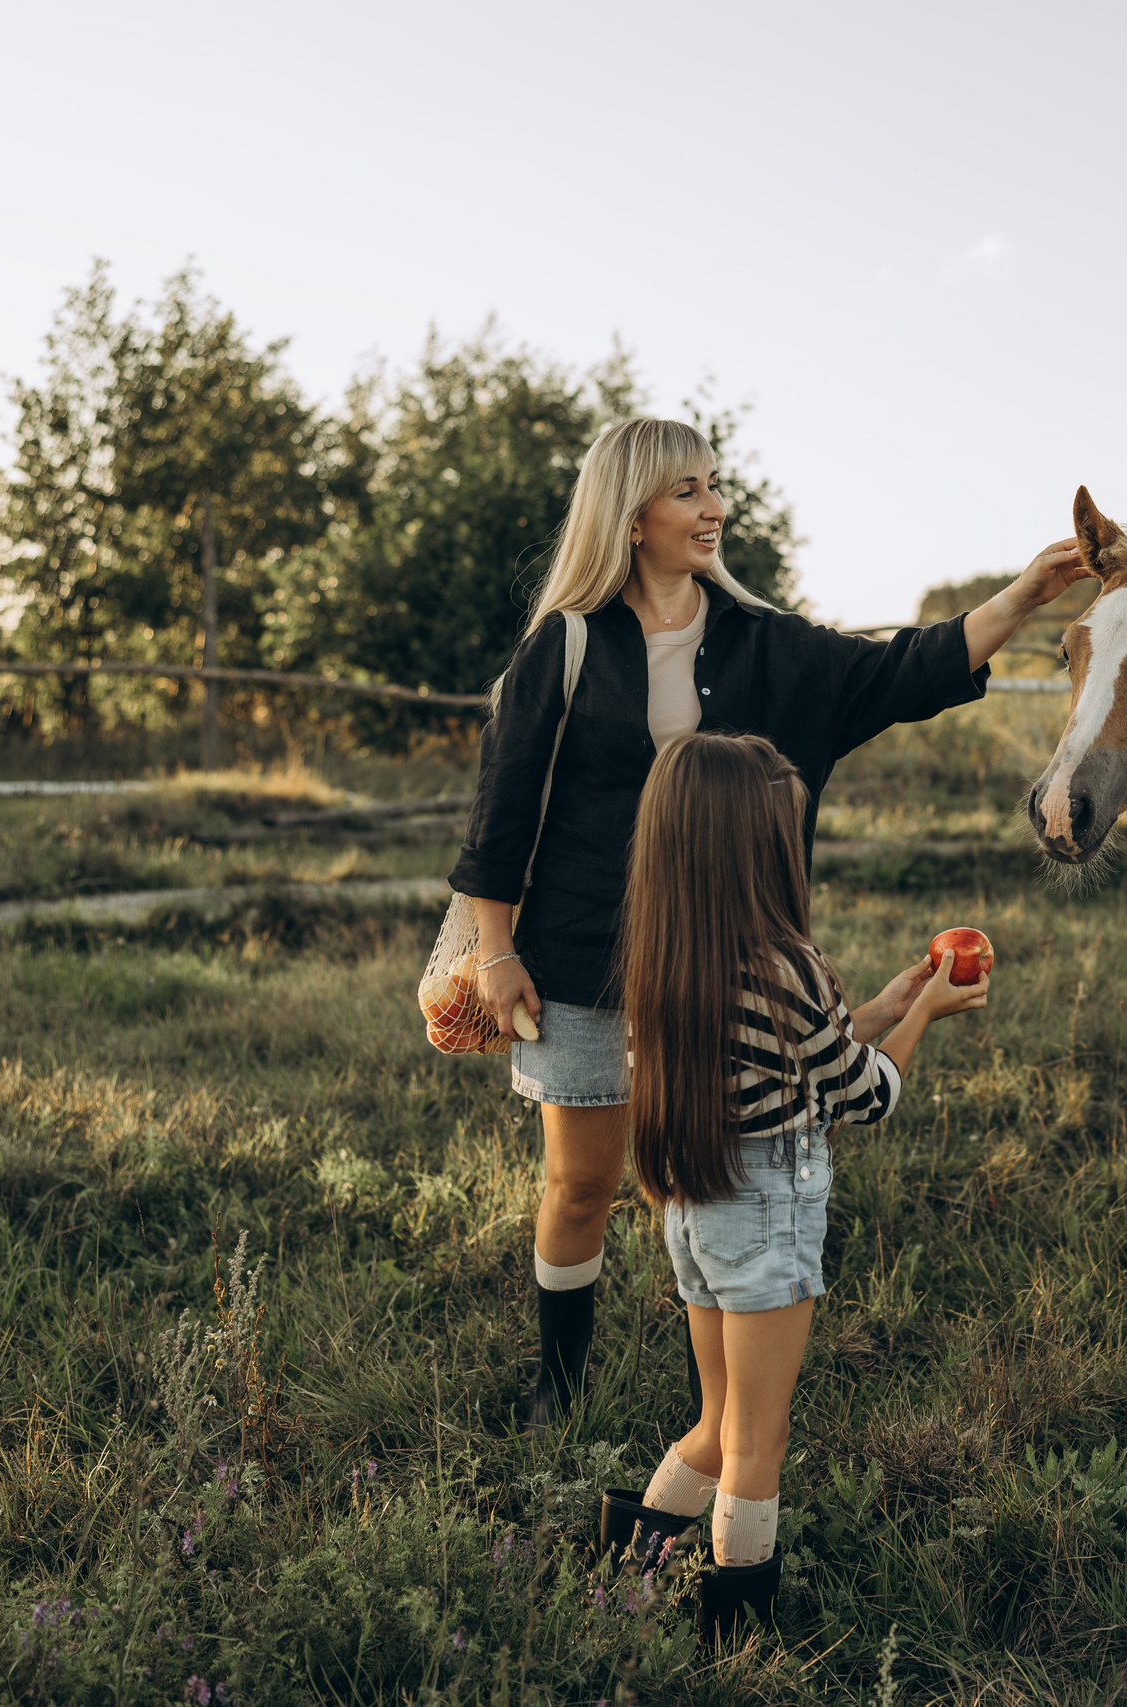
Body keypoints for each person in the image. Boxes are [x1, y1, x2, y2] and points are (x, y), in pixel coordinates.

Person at [447, 416, 1080, 1429]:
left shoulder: (765, 640)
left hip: (720, 966)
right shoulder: (565, 645)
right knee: (580, 1185)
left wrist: (1021, 597)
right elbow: (502, 808)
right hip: (578, 956)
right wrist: (495, 950)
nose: (715, 508)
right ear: (632, 515)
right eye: (688, 491)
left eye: (714, 484)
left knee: (689, 1179)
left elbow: (896, 673)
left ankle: (714, 1403)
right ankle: (557, 1385)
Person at [596, 733, 987, 1636]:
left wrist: (882, 1006)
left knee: (718, 1419)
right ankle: (736, 1634)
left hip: (697, 1211)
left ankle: (629, 1579)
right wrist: (925, 1015)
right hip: (765, 1215)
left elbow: (793, 1054)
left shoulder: (665, 960)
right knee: (756, 1439)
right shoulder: (790, 967)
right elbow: (864, 1092)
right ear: (753, 848)